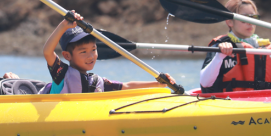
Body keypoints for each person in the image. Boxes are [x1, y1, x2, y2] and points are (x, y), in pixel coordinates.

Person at [40, 11, 176, 94]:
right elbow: (47, 52)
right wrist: (63, 25)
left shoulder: (96, 82)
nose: (91, 56)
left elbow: (126, 86)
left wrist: (157, 84)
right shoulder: (61, 73)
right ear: (67, 56)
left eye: (93, 50)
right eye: (83, 52)